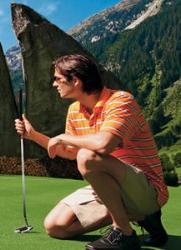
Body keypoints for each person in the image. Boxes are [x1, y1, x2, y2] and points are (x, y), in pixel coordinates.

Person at [14, 54, 169, 249]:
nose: (54, 84)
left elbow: (104, 145)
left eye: (58, 79)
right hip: (109, 185)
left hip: (147, 189)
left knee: (87, 156)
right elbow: (70, 151)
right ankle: (140, 217)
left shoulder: (121, 101)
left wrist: (62, 137)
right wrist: (34, 135)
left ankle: (124, 232)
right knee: (56, 227)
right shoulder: (74, 110)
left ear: (76, 81)